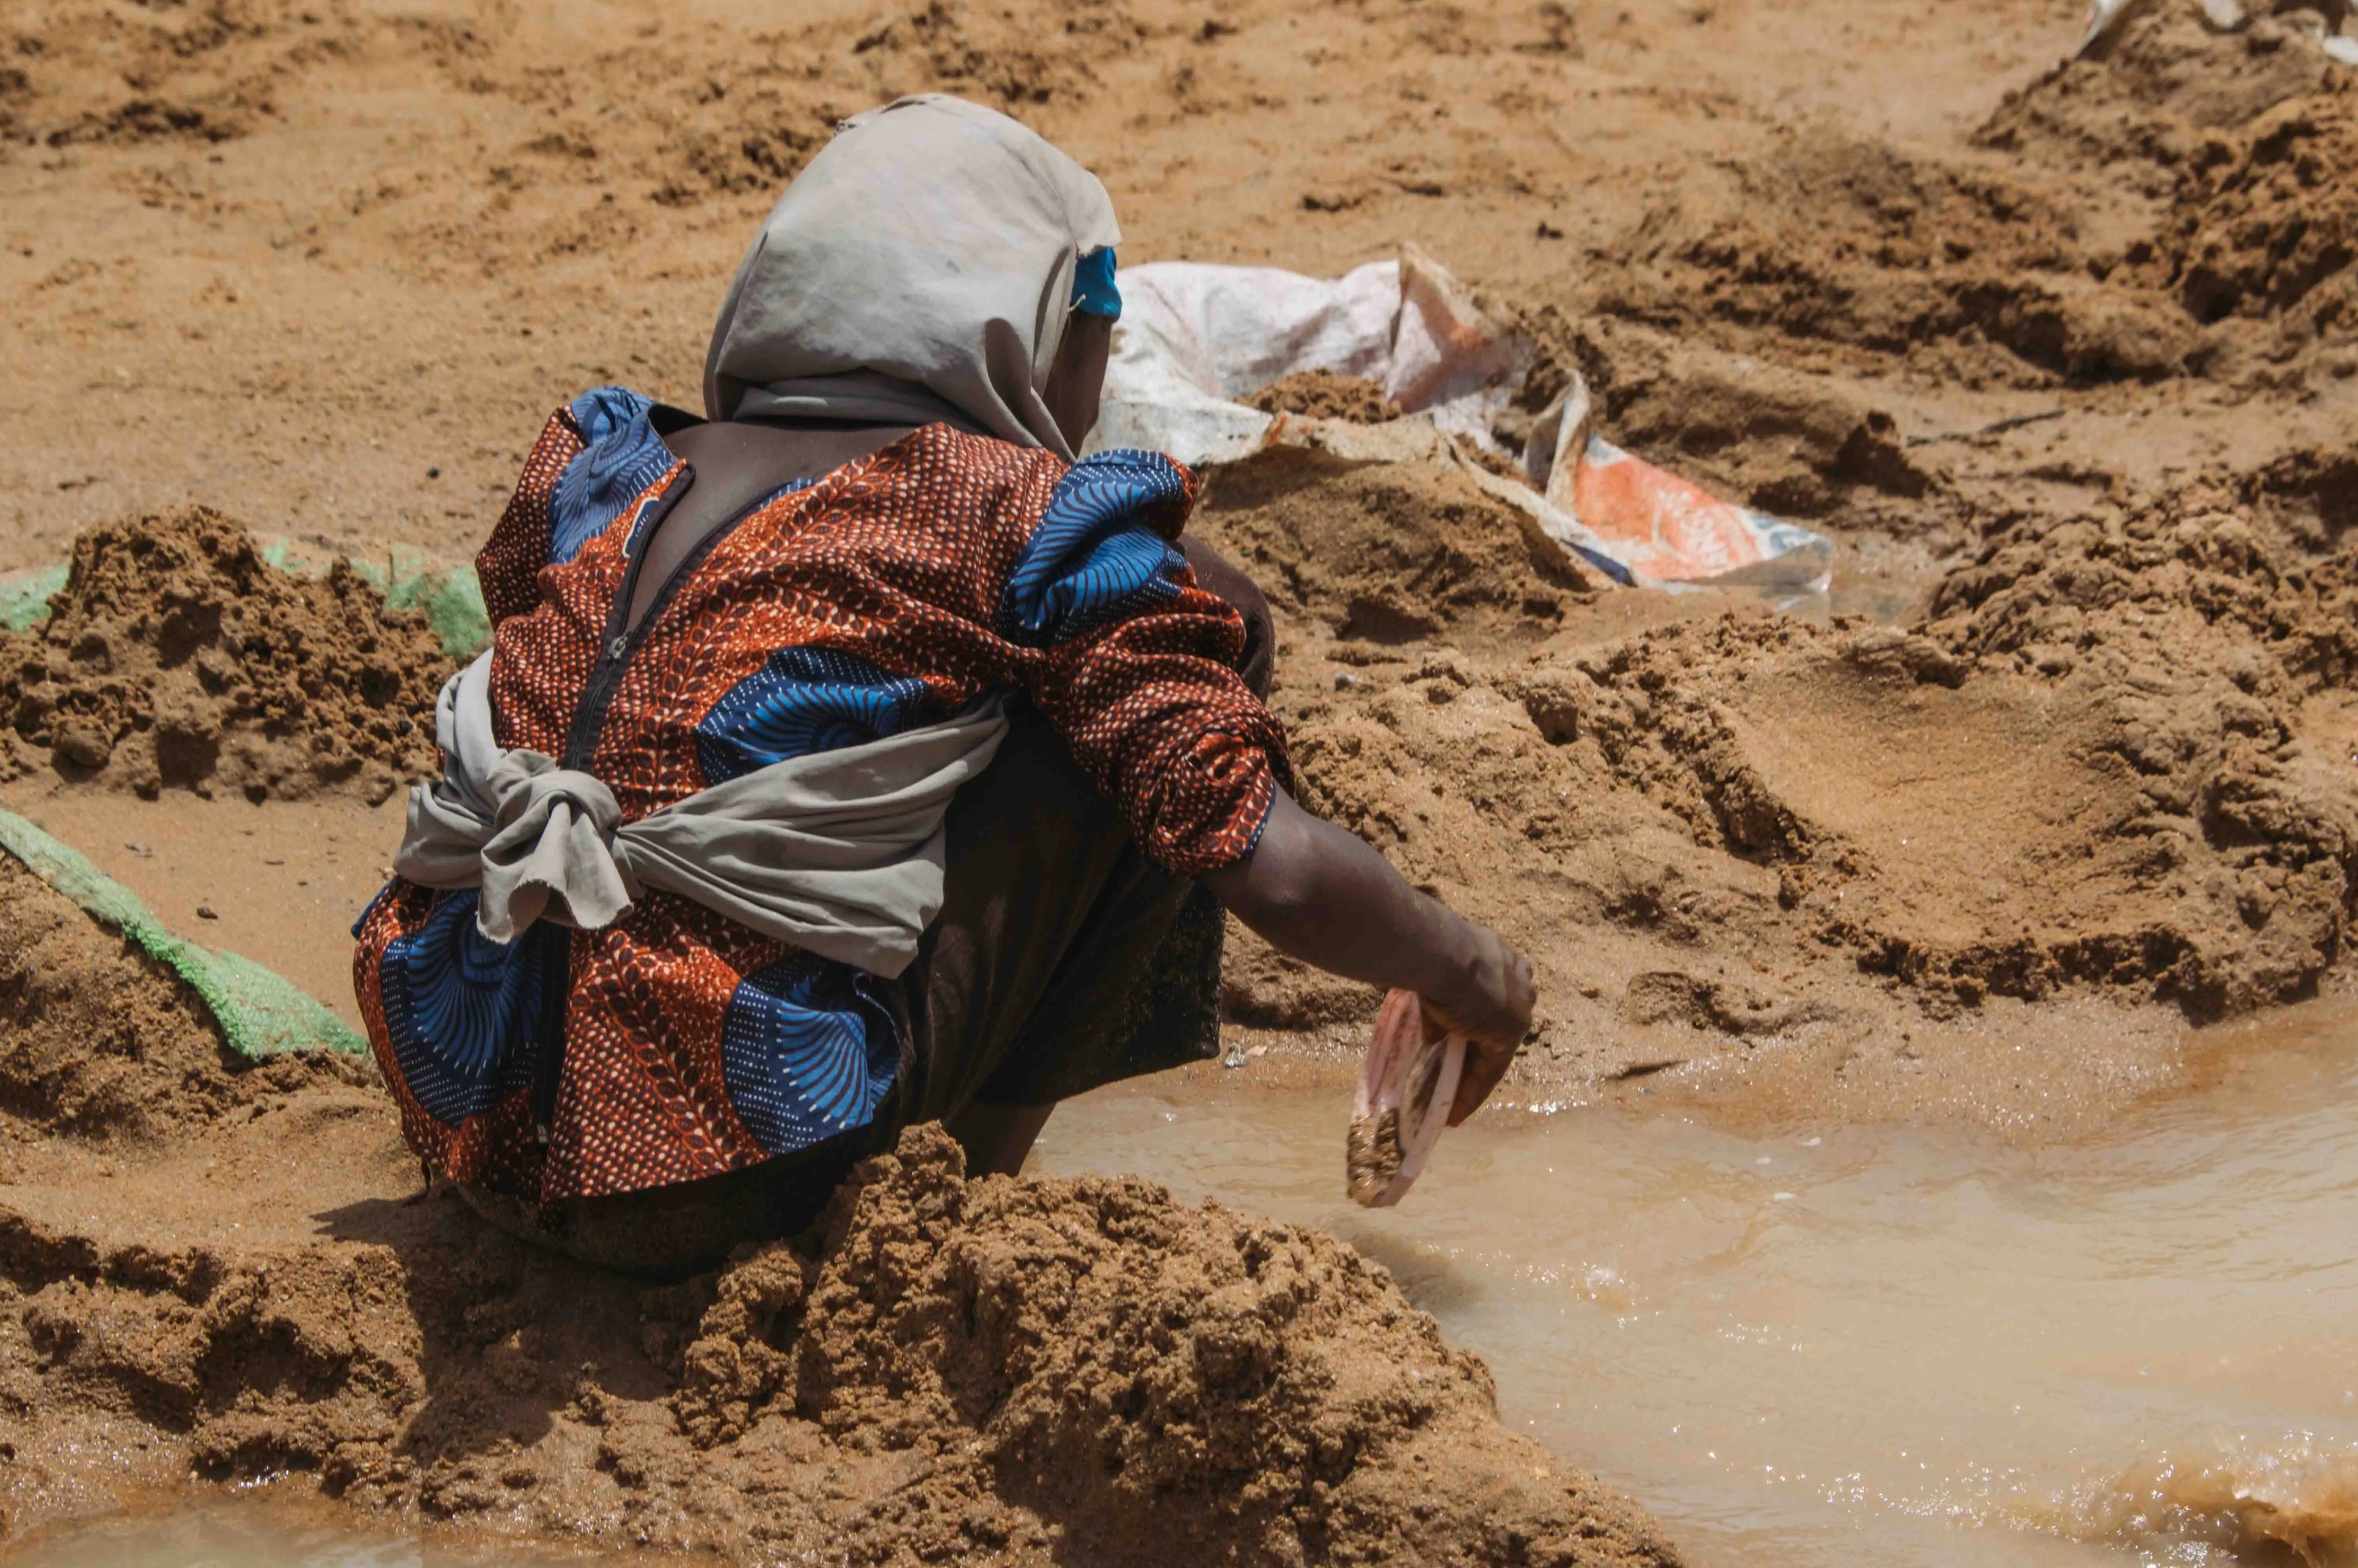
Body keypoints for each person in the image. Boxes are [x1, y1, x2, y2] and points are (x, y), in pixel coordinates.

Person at [350, 95, 1535, 1275]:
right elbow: (1267, 868)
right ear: (1036, 327)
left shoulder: (609, 459)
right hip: (730, 1170)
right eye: (1099, 322)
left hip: (460, 1099)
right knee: (1166, 691)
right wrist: (1473, 978)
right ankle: (947, 1196)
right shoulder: (1004, 513)